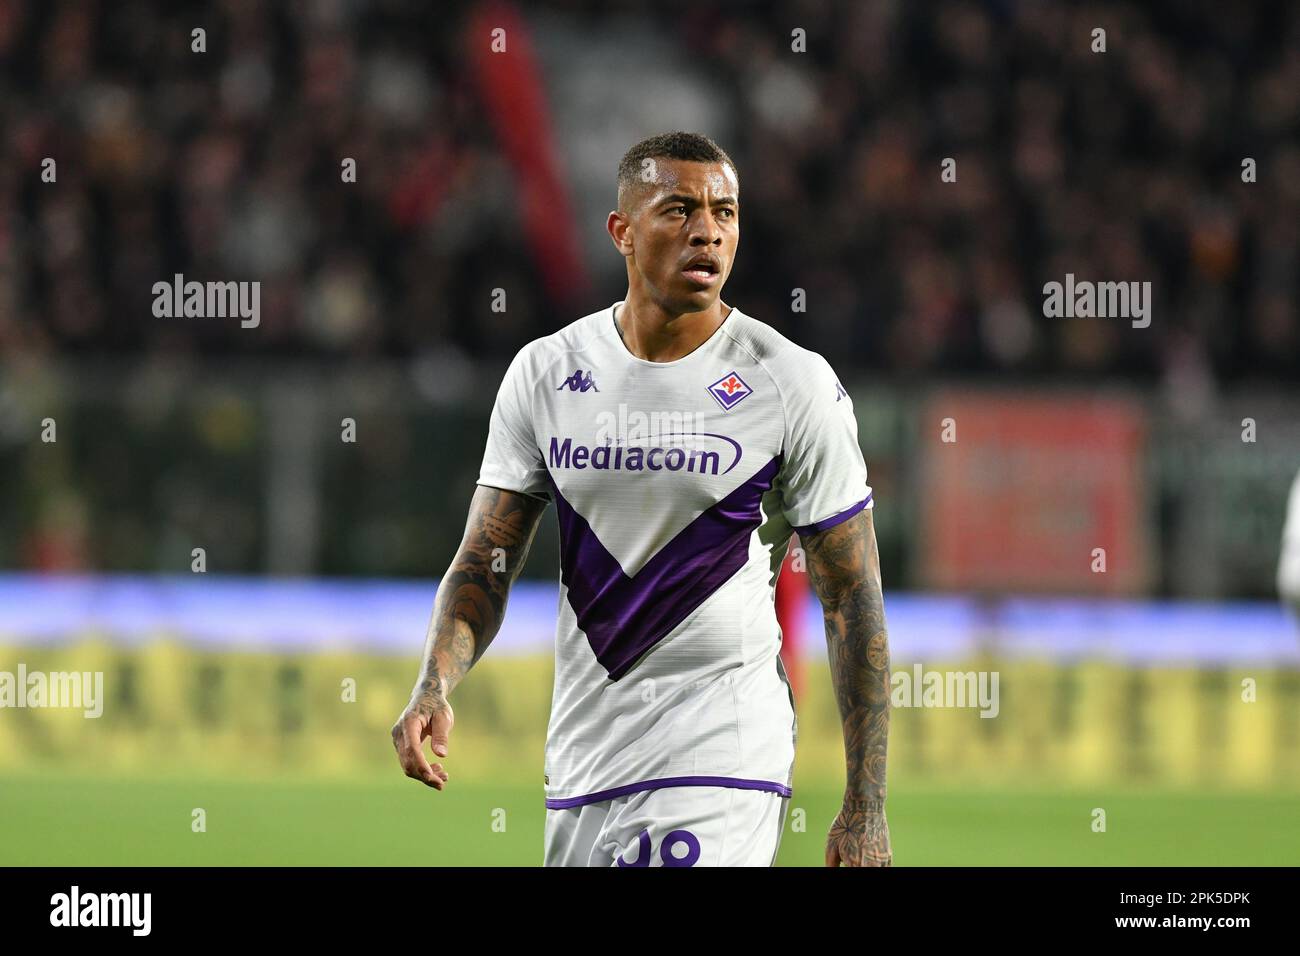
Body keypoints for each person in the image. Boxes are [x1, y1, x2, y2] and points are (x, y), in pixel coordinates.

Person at [391, 132, 892, 867]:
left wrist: (864, 805)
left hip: (720, 756)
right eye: (680, 209)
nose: (708, 230)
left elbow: (853, 596)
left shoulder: (790, 383)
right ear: (622, 232)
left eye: (726, 212)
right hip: (584, 763)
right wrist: (433, 682)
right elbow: (485, 561)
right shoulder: (548, 373)